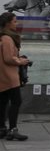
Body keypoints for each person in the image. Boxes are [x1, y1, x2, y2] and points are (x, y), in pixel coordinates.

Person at [0, 11, 29, 141]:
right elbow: (8, 58)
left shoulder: (4, 36)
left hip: (3, 75)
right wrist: (21, 61)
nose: (17, 24)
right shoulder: (7, 38)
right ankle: (13, 129)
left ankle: (2, 128)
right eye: (14, 21)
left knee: (3, 102)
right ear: (7, 24)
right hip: (10, 75)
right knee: (16, 101)